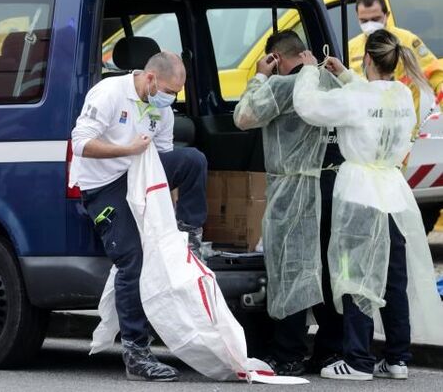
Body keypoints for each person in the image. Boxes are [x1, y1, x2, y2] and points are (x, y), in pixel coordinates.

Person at [293, 29, 438, 380]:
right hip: (394, 193)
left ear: (367, 59)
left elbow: (309, 107)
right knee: (393, 279)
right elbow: (371, 97)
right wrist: (345, 75)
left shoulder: (356, 97)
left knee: (355, 275)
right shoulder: (403, 94)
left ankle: (357, 360)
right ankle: (397, 358)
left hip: (359, 194)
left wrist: (310, 71)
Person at [70, 51, 208, 381]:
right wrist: (126, 149)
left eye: (176, 93)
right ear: (149, 78)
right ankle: (136, 352)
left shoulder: (162, 111)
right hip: (104, 184)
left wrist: (167, 222)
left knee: (193, 161)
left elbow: (162, 166)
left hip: (141, 177)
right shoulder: (110, 93)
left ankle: (191, 234)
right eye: (167, 91)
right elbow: (80, 143)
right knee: (133, 258)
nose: (170, 99)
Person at [233, 31, 343, 376]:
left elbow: (244, 116)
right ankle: (329, 350)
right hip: (332, 184)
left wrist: (260, 77)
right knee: (325, 272)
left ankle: (288, 353)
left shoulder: (283, 86)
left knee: (291, 270)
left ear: (277, 58)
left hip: (293, 188)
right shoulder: (330, 83)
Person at [350, 0, 443, 121]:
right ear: (357, 18)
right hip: (369, 129)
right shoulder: (351, 48)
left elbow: (434, 71)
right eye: (364, 21)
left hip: (404, 128)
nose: (370, 24)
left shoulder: (406, 40)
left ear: (386, 15)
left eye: (375, 19)